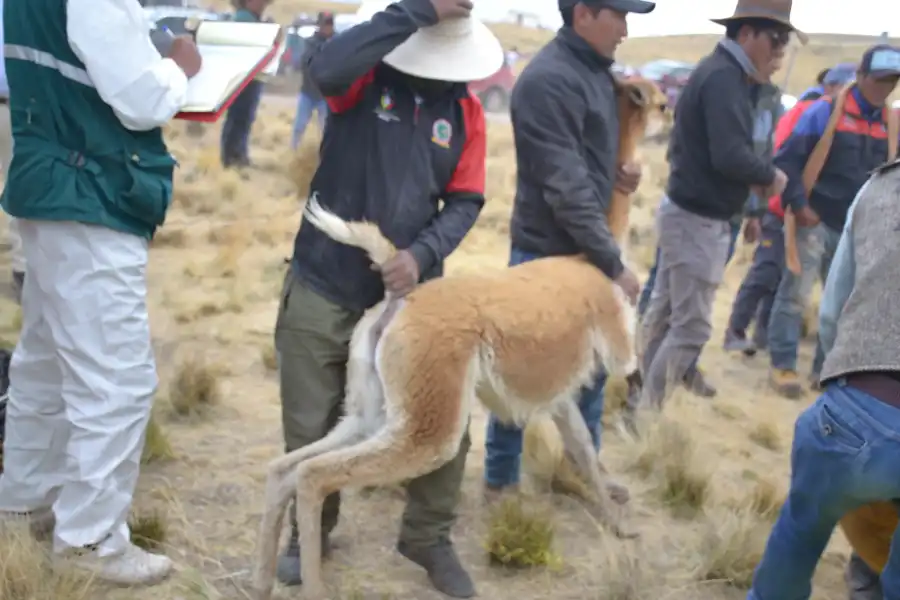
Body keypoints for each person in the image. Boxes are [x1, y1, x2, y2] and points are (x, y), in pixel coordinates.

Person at [273, 1, 498, 597]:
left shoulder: (467, 110)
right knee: (310, 417)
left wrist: (422, 254)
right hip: (326, 276)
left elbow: (467, 199)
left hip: (414, 295)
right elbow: (324, 71)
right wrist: (414, 11)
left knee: (443, 419)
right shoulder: (365, 78)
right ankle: (311, 528)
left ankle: (427, 534)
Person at [0, 0, 201, 585]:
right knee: (117, 380)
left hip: (50, 180)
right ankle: (90, 541)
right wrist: (179, 68)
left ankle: (24, 500)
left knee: (45, 362)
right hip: (88, 191)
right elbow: (141, 101)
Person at [482, 0, 655, 502]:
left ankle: (584, 472)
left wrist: (625, 172)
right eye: (619, 16)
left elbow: (591, 165)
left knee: (592, 373)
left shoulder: (596, 75)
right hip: (545, 254)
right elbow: (567, 187)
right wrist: (614, 264)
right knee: (518, 370)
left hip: (585, 252)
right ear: (583, 13)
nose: (626, 28)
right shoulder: (548, 81)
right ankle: (500, 480)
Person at [746, 159, 900, 600]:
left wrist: (841, 380)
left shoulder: (880, 188)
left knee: (800, 531)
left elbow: (834, 311)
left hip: (857, 408)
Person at [633, 0, 794, 413]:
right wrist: (770, 177)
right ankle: (646, 415)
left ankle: (638, 401)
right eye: (775, 39)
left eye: (784, 41)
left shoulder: (724, 74)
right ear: (746, 34)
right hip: (698, 220)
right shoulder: (725, 80)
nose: (780, 50)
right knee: (690, 328)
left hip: (689, 214)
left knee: (666, 312)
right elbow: (729, 155)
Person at [767, 45, 900, 399]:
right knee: (795, 294)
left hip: (859, 232)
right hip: (815, 220)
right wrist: (798, 204)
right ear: (860, 76)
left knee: (846, 305)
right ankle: (782, 365)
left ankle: (827, 372)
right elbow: (787, 161)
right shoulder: (824, 113)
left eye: (892, 81)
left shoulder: (891, 125)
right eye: (879, 79)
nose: (884, 88)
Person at [723, 64, 855, 356]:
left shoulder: (843, 119)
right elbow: (779, 159)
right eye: (847, 87)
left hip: (805, 215)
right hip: (781, 209)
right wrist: (773, 205)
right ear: (833, 87)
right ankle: (735, 330)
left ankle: (763, 335)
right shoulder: (810, 113)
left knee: (784, 277)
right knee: (765, 272)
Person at [220, 0, 270, 168]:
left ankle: (236, 155)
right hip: (244, 77)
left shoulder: (252, 18)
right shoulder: (244, 19)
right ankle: (233, 157)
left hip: (248, 76)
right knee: (239, 117)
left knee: (241, 118)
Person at [0, 4, 23, 303]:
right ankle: (24, 268)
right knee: (24, 189)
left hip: (15, 103)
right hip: (16, 102)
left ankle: (24, 268)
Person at [290, 11, 334, 150]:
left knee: (326, 130)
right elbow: (304, 62)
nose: (327, 27)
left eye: (329, 24)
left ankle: (326, 155)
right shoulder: (310, 42)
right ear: (318, 25)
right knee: (299, 126)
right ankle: (293, 151)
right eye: (324, 24)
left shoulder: (338, 41)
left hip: (326, 95)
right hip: (308, 92)